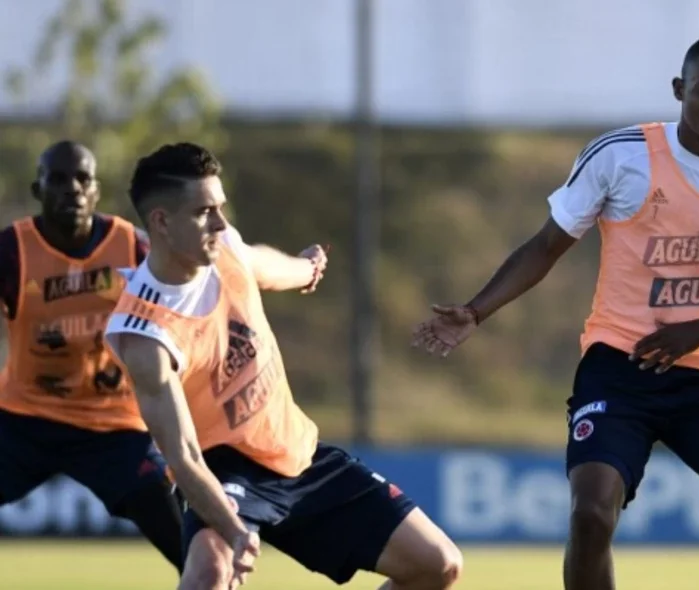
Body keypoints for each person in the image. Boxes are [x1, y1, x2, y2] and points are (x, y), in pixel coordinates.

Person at [414, 34, 699, 590]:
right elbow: (545, 247)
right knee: (590, 515)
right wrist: (476, 310)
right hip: (621, 367)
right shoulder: (621, 155)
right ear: (680, 90)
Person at [103, 142, 463, 589]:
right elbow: (185, 457)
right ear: (161, 222)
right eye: (204, 212)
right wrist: (232, 530)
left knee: (439, 564)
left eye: (220, 208)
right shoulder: (145, 335)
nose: (219, 222)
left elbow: (261, 264)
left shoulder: (223, 247)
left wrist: (306, 269)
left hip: (297, 453)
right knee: (209, 578)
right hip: (225, 470)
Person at [0, 140, 183, 570]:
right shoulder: (12, 252)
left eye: (83, 179)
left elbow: (180, 327)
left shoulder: (134, 249)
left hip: (112, 425)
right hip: (23, 418)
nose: (73, 190)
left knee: (181, 533)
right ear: (37, 190)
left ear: (97, 190)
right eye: (59, 180)